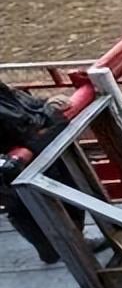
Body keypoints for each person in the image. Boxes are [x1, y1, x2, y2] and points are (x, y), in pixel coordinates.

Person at [1, 83, 93, 265]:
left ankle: (58, 248)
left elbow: (28, 107)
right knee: (27, 204)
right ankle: (63, 248)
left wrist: (48, 107)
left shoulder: (5, 92)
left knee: (23, 205)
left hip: (24, 158)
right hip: (17, 163)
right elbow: (26, 124)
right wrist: (50, 113)